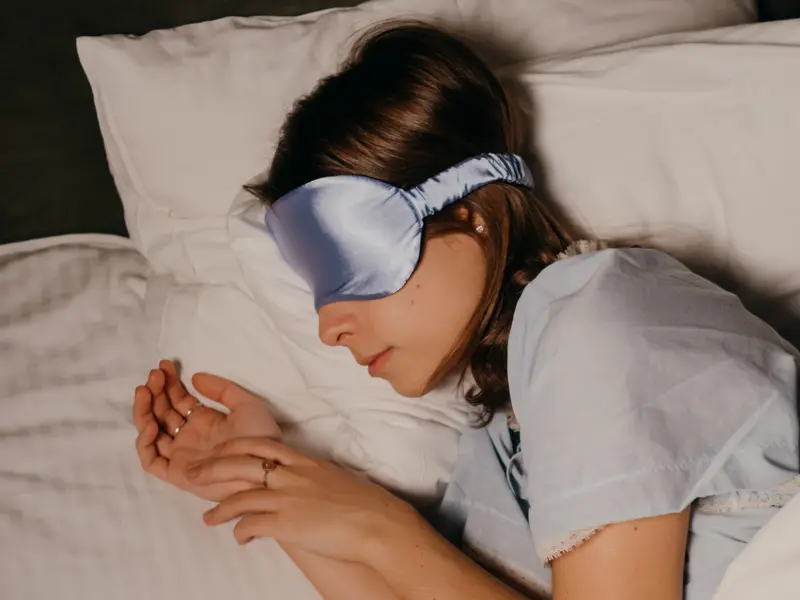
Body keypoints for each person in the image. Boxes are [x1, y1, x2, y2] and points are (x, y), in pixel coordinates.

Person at [132, 21, 800, 600]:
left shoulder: (597, 322)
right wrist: (260, 475)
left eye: (346, 265)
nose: (328, 327)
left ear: (468, 211)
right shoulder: (499, 442)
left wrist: (378, 527)